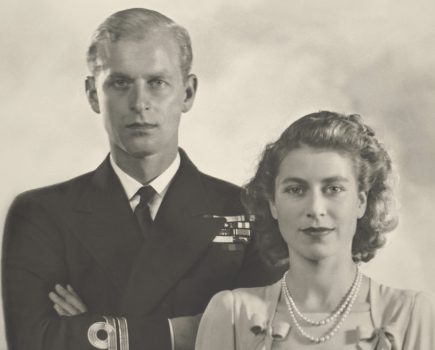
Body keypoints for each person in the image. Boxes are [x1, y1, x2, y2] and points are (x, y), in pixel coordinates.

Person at [1, 8, 278, 350]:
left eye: (157, 83)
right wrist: (179, 334)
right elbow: (32, 342)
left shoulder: (245, 212)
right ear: (92, 94)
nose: (140, 103)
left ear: (188, 93)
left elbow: (259, 340)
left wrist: (95, 331)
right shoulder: (41, 214)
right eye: (120, 83)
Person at [196, 111, 435, 349]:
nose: (315, 208)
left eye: (333, 189)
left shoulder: (407, 315)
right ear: (273, 204)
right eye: (296, 190)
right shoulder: (233, 315)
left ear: (361, 202)